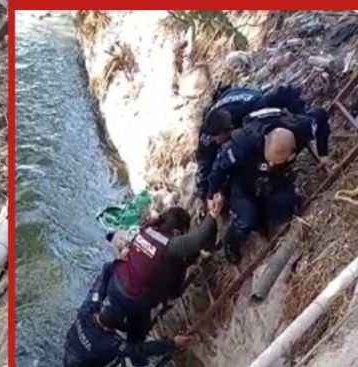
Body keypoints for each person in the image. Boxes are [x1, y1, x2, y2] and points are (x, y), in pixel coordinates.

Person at [63, 263, 194, 367]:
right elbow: (137, 350)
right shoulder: (109, 343)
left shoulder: (86, 312)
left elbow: (97, 289)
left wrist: (111, 267)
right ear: (108, 329)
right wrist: (171, 343)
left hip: (69, 353)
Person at [205, 108, 331, 264]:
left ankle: (267, 218)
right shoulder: (243, 145)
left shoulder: (301, 127)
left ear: (292, 153)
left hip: (276, 175)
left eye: (275, 160)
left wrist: (323, 153)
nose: (271, 163)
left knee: (284, 208)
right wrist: (211, 194)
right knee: (246, 218)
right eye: (269, 159)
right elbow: (219, 168)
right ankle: (231, 244)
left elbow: (320, 115)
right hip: (245, 172)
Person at [106, 195, 224, 343]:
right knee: (140, 326)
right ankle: (135, 357)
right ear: (177, 231)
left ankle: (117, 330)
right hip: (135, 298)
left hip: (115, 285)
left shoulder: (146, 230)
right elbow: (201, 239)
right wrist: (213, 214)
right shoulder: (171, 244)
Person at [195, 84, 306, 199]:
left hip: (248, 98)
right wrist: (206, 193)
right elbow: (203, 163)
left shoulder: (257, 108)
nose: (216, 142)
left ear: (230, 129)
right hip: (224, 103)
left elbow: (286, 95)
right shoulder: (207, 131)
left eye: (217, 139)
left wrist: (299, 117)